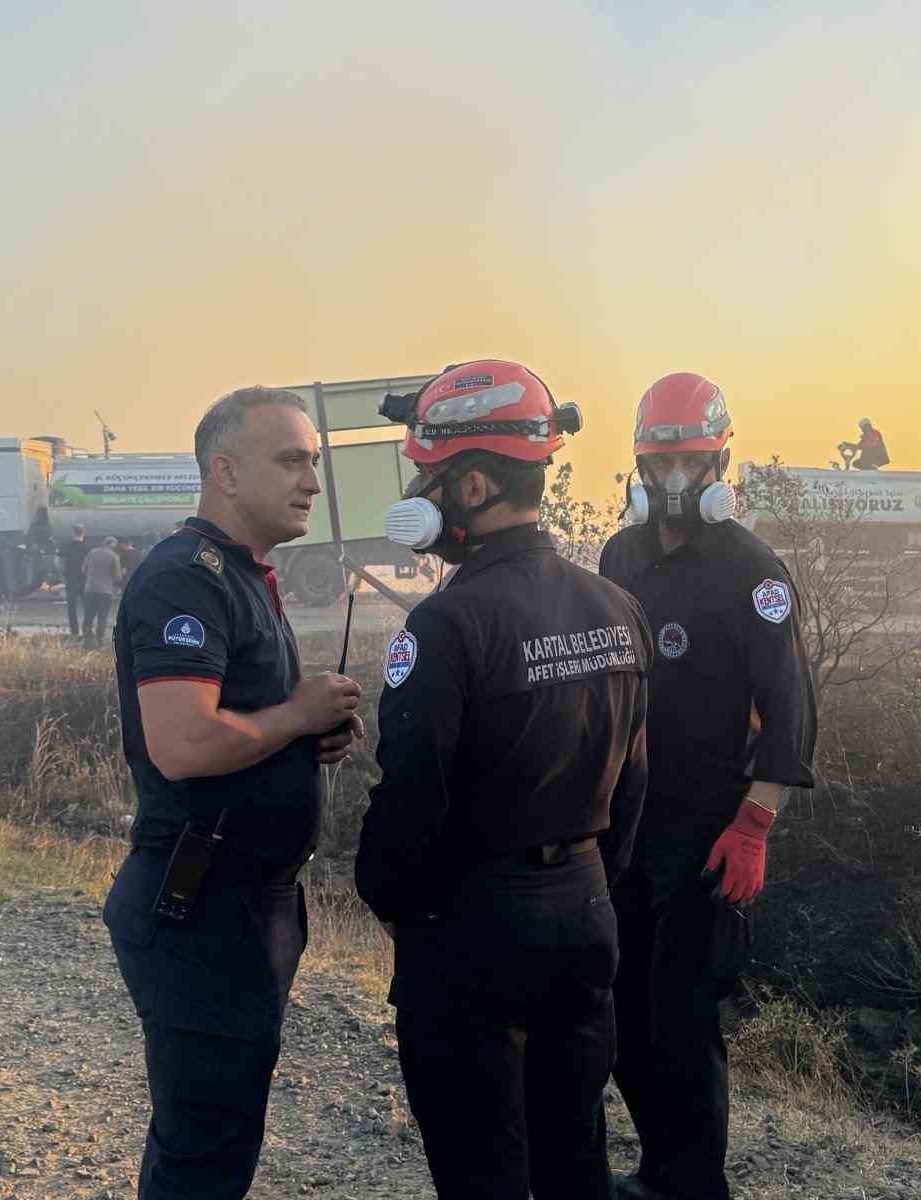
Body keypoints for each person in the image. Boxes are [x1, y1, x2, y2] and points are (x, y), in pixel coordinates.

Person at [356, 359, 651, 1199]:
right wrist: (595, 879)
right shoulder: (614, 605)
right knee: (574, 1160)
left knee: (480, 1170)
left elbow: (411, 797)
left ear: (475, 485)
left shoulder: (447, 623)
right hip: (586, 915)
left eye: (429, 476)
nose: (420, 492)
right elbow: (635, 780)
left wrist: (393, 900)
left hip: (472, 929)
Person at [101, 385, 363, 1199]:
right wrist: (294, 714)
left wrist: (305, 735)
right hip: (199, 904)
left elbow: (243, 726)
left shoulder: (247, 574)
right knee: (203, 1146)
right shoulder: (186, 578)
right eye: (290, 461)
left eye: (313, 462)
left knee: (220, 1128)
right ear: (224, 472)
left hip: (248, 904)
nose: (311, 482)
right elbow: (180, 744)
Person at [601, 372, 818, 1200]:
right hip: (625, 825)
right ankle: (662, 1168)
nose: (673, 481)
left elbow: (791, 705)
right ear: (638, 465)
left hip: (707, 831)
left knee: (683, 1024)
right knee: (620, 1019)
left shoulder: (752, 570)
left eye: (690, 461)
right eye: (659, 464)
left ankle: (694, 1186)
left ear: (721, 459)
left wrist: (756, 823)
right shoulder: (619, 555)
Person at [81, 536, 123, 646]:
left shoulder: (92, 552)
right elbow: (117, 577)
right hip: (105, 591)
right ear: (112, 545)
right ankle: (99, 640)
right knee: (102, 616)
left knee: (88, 615)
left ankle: (87, 638)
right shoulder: (114, 556)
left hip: (89, 589)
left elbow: (83, 569)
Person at [56, 524, 91, 639]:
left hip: (70, 580)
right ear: (83, 533)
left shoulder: (66, 547)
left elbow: (59, 563)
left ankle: (74, 632)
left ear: (72, 534)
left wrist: (63, 574)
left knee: (71, 606)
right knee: (87, 606)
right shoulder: (88, 548)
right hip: (85, 581)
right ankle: (87, 631)